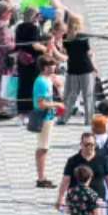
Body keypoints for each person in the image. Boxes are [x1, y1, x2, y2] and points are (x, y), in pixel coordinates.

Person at [61, 14, 98, 125]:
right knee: (88, 95)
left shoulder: (65, 37)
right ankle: (88, 120)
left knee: (71, 95)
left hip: (72, 68)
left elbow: (66, 52)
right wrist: (94, 66)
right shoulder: (83, 37)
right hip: (86, 68)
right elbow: (88, 53)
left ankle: (64, 118)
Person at [34, 56, 65, 188]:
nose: (54, 67)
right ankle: (41, 179)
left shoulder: (47, 79)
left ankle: (41, 177)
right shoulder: (41, 82)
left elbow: (59, 85)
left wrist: (56, 82)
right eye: (52, 65)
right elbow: (40, 103)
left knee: (44, 147)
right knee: (43, 148)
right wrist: (57, 103)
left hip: (49, 116)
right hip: (44, 118)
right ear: (45, 67)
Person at [15, 7, 47, 124]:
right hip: (33, 61)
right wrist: (46, 49)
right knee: (33, 86)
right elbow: (35, 45)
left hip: (21, 59)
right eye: (38, 14)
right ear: (34, 15)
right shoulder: (33, 28)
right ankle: (31, 112)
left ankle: (21, 113)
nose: (40, 16)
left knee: (22, 86)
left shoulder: (19, 27)